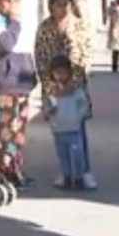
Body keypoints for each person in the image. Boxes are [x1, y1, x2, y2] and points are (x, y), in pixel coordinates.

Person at [35, 0, 97, 188]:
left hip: (75, 88)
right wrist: (51, 86)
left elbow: (86, 55)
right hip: (54, 88)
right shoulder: (45, 28)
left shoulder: (80, 26)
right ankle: (65, 171)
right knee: (60, 133)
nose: (63, 8)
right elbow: (41, 58)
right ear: (51, 7)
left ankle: (84, 171)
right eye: (58, 4)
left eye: (66, 4)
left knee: (78, 131)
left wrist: (74, 84)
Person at [0, 0, 39, 188]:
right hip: (6, 85)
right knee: (6, 131)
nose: (12, 5)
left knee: (19, 132)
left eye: (16, 1)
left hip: (22, 84)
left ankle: (17, 167)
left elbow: (29, 50)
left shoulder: (24, 24)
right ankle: (5, 170)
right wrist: (14, 23)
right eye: (7, 1)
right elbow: (5, 44)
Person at [43, 55, 92, 190]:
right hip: (58, 130)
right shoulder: (52, 94)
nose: (60, 76)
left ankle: (79, 177)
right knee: (62, 155)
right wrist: (49, 114)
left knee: (76, 154)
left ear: (69, 73)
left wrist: (79, 116)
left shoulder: (76, 92)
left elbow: (84, 105)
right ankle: (67, 176)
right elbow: (47, 110)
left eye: (63, 72)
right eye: (57, 73)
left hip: (74, 129)